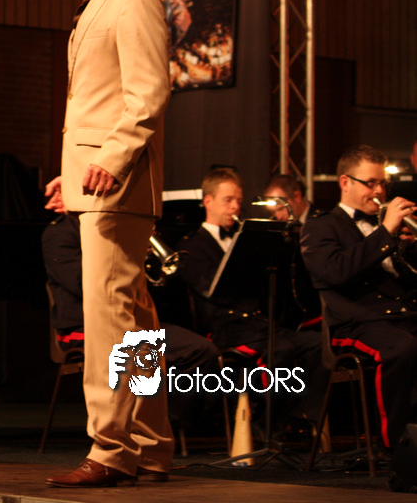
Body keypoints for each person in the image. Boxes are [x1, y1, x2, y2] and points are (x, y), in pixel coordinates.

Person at [43, 0, 174, 488]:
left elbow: (148, 91)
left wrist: (113, 157)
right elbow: (99, 101)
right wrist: (73, 168)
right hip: (100, 177)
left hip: (117, 182)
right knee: (134, 318)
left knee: (109, 318)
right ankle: (150, 444)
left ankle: (111, 448)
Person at [176, 168, 326, 422]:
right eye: (228, 200)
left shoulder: (246, 238)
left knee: (318, 344)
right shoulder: (190, 246)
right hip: (227, 328)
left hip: (260, 324)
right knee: (280, 350)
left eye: (238, 201)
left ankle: (304, 418)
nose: (235, 207)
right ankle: (267, 423)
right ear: (208, 201)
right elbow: (210, 289)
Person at [42, 214, 221, 424]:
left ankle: (167, 421)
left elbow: (150, 293)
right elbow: (86, 286)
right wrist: (127, 256)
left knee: (201, 350)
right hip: (85, 326)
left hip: (129, 321)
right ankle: (155, 423)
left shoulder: (115, 227)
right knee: (182, 351)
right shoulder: (61, 233)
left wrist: (142, 258)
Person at [300, 144, 417, 450]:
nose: (379, 191)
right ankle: (395, 447)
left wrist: (410, 246)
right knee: (401, 349)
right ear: (345, 182)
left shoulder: (384, 228)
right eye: (371, 183)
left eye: (383, 184)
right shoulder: (320, 226)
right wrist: (385, 234)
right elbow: (337, 271)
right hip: (356, 323)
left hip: (400, 315)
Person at [262, 174, 322, 328]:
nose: (278, 216)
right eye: (273, 212)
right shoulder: (275, 226)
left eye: (281, 209)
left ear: (297, 196)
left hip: (317, 305)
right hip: (287, 311)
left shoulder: (322, 221)